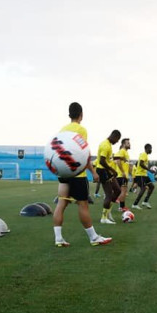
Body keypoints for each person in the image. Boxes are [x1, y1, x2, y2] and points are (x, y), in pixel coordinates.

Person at [52, 102, 112, 247]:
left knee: (61, 203)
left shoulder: (62, 130)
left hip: (63, 172)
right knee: (83, 204)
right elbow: (83, 152)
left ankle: (58, 239)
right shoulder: (81, 129)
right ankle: (93, 237)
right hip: (77, 174)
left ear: (69, 114)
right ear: (81, 115)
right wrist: (93, 171)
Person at [96, 130, 122, 224]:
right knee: (109, 194)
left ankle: (108, 212)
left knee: (118, 190)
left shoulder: (108, 144)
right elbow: (102, 161)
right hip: (102, 170)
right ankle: (104, 218)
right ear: (114, 136)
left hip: (106, 171)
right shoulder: (105, 145)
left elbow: (107, 160)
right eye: (117, 139)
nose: (117, 142)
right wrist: (112, 170)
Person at [132, 143, 155, 209]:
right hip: (140, 175)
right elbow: (141, 164)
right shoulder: (144, 154)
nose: (151, 150)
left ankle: (145, 201)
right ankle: (135, 204)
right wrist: (149, 170)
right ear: (147, 148)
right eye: (150, 148)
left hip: (144, 175)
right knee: (143, 188)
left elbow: (143, 164)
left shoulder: (145, 155)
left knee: (152, 186)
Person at [113, 138, 132, 212]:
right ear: (123, 144)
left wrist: (130, 173)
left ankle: (122, 206)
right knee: (123, 192)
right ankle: (120, 206)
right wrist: (123, 172)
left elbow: (126, 164)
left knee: (123, 191)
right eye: (128, 143)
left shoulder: (126, 153)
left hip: (124, 175)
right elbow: (118, 161)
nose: (130, 144)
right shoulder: (122, 151)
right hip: (121, 175)